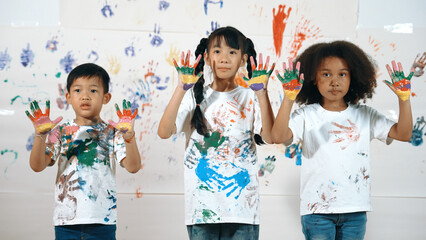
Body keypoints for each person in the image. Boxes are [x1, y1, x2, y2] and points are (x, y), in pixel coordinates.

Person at [272, 40, 413, 240]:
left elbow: (404, 134)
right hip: (316, 211)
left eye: (342, 74)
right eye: (326, 74)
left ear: (352, 78)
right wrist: (288, 98)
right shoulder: (306, 115)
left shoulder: (365, 115)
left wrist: (404, 99)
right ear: (313, 78)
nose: (335, 81)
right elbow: (278, 136)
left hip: (355, 210)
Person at [157, 26, 275, 240]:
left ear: (243, 60)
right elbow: (164, 132)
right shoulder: (193, 95)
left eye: (232, 52)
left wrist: (262, 94)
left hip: (243, 211)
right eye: (217, 51)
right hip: (203, 211)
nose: (224, 58)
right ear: (207, 57)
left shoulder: (251, 96)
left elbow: (269, 137)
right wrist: (180, 88)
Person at [26, 63, 141, 240]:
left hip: (103, 222)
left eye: (93, 91)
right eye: (78, 90)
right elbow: (37, 166)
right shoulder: (61, 132)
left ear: (106, 97)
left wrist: (129, 137)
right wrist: (39, 135)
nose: (85, 96)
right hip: (66, 222)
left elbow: (133, 167)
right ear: (68, 97)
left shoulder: (112, 132)